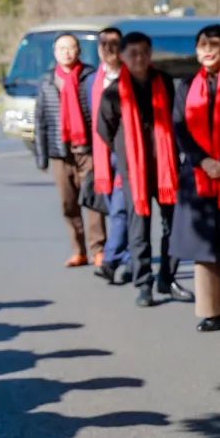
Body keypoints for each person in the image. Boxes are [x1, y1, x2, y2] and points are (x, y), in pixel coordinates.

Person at [96, 31, 194, 307]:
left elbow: (176, 118)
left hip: (166, 170)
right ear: (123, 57)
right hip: (134, 173)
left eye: (144, 53)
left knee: (173, 227)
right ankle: (143, 283)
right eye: (133, 53)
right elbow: (105, 130)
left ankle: (167, 277)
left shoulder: (163, 81)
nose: (139, 58)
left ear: (150, 54)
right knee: (138, 231)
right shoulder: (113, 93)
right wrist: (128, 152)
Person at [33, 33, 107, 268]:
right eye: (61, 48)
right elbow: (40, 120)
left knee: (94, 202)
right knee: (68, 204)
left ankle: (99, 250)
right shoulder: (47, 81)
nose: (66, 52)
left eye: (71, 47)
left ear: (79, 51)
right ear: (55, 53)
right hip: (59, 151)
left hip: (88, 150)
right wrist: (41, 156)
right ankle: (79, 251)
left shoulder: (91, 77)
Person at [171, 24, 220, 331]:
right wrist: (203, 161)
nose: (206, 50)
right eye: (201, 45)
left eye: (213, 44)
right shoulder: (187, 86)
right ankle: (212, 311)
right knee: (207, 248)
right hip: (200, 174)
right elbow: (180, 127)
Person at [90, 27, 132, 284]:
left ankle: (110, 259)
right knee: (116, 209)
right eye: (103, 43)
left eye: (114, 43)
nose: (108, 48)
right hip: (100, 155)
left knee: (119, 209)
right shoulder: (92, 81)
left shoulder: (132, 78)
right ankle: (127, 259)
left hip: (126, 154)